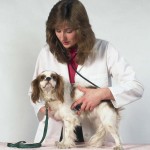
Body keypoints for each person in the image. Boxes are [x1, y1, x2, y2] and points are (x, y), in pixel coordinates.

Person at [29, 0, 144, 146]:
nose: (62, 37)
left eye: (68, 31)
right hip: (55, 138)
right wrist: (48, 109)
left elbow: (136, 86)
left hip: (96, 140)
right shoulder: (46, 53)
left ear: (82, 28)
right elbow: (33, 92)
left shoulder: (105, 49)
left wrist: (103, 93)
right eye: (58, 30)